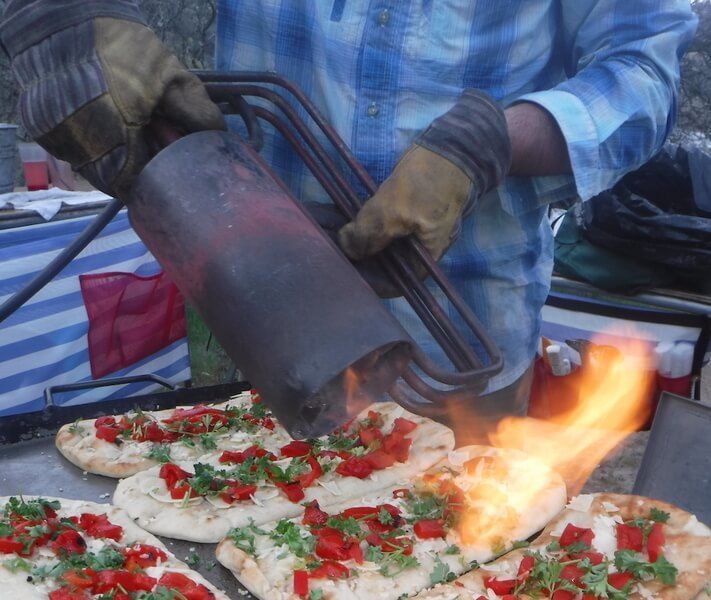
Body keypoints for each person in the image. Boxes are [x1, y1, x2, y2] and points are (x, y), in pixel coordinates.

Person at [0, 1, 697, 435]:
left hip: (461, 335)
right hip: (262, 322)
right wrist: (58, 15)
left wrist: (487, 144)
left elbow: (640, 73)